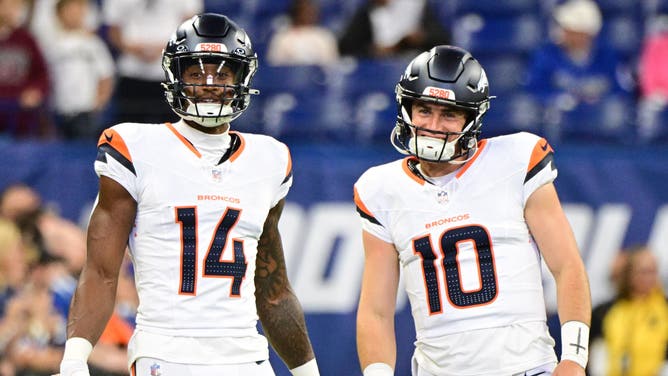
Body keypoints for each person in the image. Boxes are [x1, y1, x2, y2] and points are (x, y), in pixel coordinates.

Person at [55, 13, 319, 376]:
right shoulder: (135, 147)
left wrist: (309, 372)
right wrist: (74, 360)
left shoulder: (269, 159)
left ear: (242, 80)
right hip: (166, 353)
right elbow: (101, 271)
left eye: (222, 73)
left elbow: (272, 289)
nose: (209, 84)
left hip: (246, 356)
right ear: (175, 78)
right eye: (196, 73)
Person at [354, 45, 592, 375]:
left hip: (526, 367)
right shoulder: (381, 188)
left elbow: (567, 266)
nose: (433, 124)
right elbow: (376, 310)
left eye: (449, 113)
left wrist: (574, 358)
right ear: (406, 108)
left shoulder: (515, 160)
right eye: (424, 109)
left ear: (472, 117)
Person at [102, 0, 202, 124]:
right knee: (130, 130)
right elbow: (113, 29)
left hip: (170, 72)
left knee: (174, 131)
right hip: (131, 72)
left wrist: (166, 48)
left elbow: (191, 26)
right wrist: (133, 49)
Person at [588, 245, 668, 376]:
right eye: (643, 271)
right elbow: (595, 352)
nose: (649, 278)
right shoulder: (604, 312)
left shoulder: (664, 308)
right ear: (629, 274)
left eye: (653, 271)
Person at [40, 0, 114, 140]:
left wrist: (98, 105)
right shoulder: (50, 44)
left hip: (86, 112)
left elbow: (106, 75)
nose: (74, 15)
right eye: (69, 10)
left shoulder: (93, 43)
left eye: (78, 10)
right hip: (58, 110)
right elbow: (46, 75)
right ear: (59, 14)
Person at [338, 0, 450, 59]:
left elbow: (442, 39)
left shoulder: (417, 6)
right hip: (378, 66)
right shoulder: (366, 12)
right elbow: (346, 46)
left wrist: (421, 38)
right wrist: (371, 50)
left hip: (411, 60)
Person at [266, 0, 339, 66]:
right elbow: (274, 66)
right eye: (304, 10)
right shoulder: (282, 37)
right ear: (296, 12)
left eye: (310, 11)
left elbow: (332, 66)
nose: (307, 14)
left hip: (318, 79)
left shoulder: (325, 36)